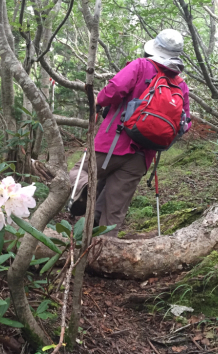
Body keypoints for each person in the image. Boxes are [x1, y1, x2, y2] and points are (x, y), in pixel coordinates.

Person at [69, 29, 191, 237]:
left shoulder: (141, 65)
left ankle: (84, 188)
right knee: (115, 209)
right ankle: (105, 250)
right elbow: (184, 124)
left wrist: (99, 102)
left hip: (111, 144)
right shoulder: (180, 85)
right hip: (142, 157)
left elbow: (113, 91)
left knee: (78, 172)